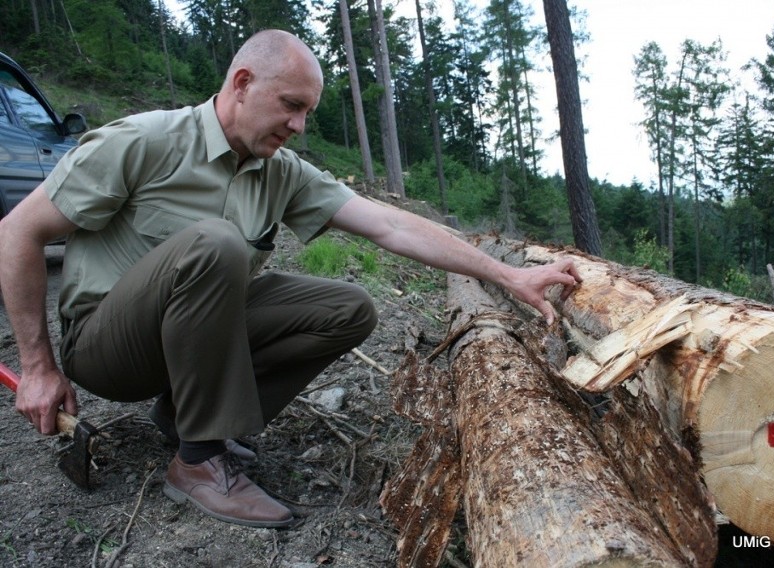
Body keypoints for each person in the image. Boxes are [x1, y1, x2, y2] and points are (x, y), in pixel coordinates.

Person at [0, 30, 581, 528]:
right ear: (243, 82)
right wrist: (39, 368)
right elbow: (17, 232)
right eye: (291, 105)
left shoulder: (281, 173)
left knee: (349, 308)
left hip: (186, 347)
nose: (300, 125)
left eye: (308, 113)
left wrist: (507, 274)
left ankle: (185, 421)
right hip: (107, 347)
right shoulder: (144, 141)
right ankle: (198, 461)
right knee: (216, 242)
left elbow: (387, 224)